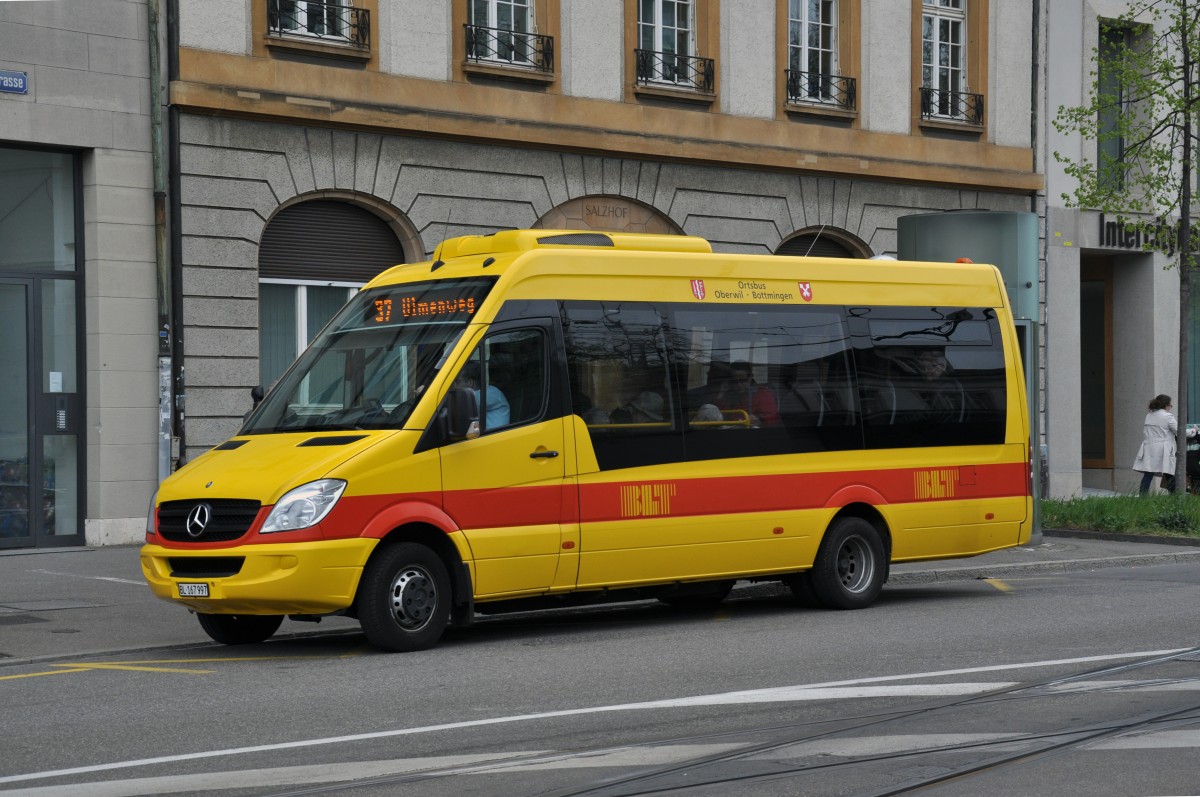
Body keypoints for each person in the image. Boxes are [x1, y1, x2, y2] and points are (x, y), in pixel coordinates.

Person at [1132, 394, 1194, 494]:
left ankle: (1142, 497)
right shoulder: (1167, 416)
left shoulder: (1149, 415)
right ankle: (1176, 496)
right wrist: (1193, 431)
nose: (1170, 408)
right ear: (1166, 405)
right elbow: (1180, 431)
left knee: (1148, 475)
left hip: (1149, 448)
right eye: (1170, 405)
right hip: (1163, 449)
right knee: (1169, 473)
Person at [717, 361, 779, 426]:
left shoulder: (762, 393)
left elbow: (773, 417)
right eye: (735, 381)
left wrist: (759, 419)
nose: (738, 384)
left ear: (750, 377)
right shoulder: (728, 395)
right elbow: (719, 417)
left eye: (743, 380)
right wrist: (721, 394)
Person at [454, 360, 510, 430]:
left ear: (470, 382)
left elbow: (458, 405)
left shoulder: (490, 393)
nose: (455, 386)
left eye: (457, 382)